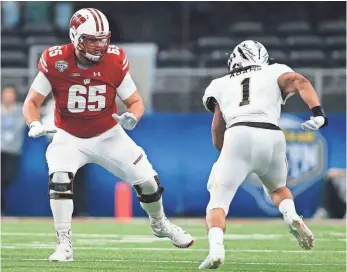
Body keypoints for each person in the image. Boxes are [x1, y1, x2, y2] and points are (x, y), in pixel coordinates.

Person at [22, 8, 193, 262]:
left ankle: (160, 224)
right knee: (59, 179)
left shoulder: (114, 60)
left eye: (102, 39)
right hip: (68, 135)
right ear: (75, 37)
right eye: (91, 39)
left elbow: (135, 102)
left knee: (149, 183)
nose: (99, 45)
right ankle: (63, 243)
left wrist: (133, 117)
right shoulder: (56, 60)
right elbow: (31, 103)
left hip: (108, 134)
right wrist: (34, 123)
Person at [199, 40, 328, 269]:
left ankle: (216, 249)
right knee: (278, 188)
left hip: (239, 132)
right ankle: (290, 215)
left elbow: (218, 126)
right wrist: (317, 113)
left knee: (217, 200)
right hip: (272, 134)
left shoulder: (219, 83)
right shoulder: (275, 70)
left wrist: (225, 153)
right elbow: (301, 81)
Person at [1, 85, 26, 215]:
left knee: (7, 178)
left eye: (10, 93)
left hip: (12, 150)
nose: (8, 96)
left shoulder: (20, 110)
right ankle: (2, 208)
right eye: (6, 93)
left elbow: (20, 126)